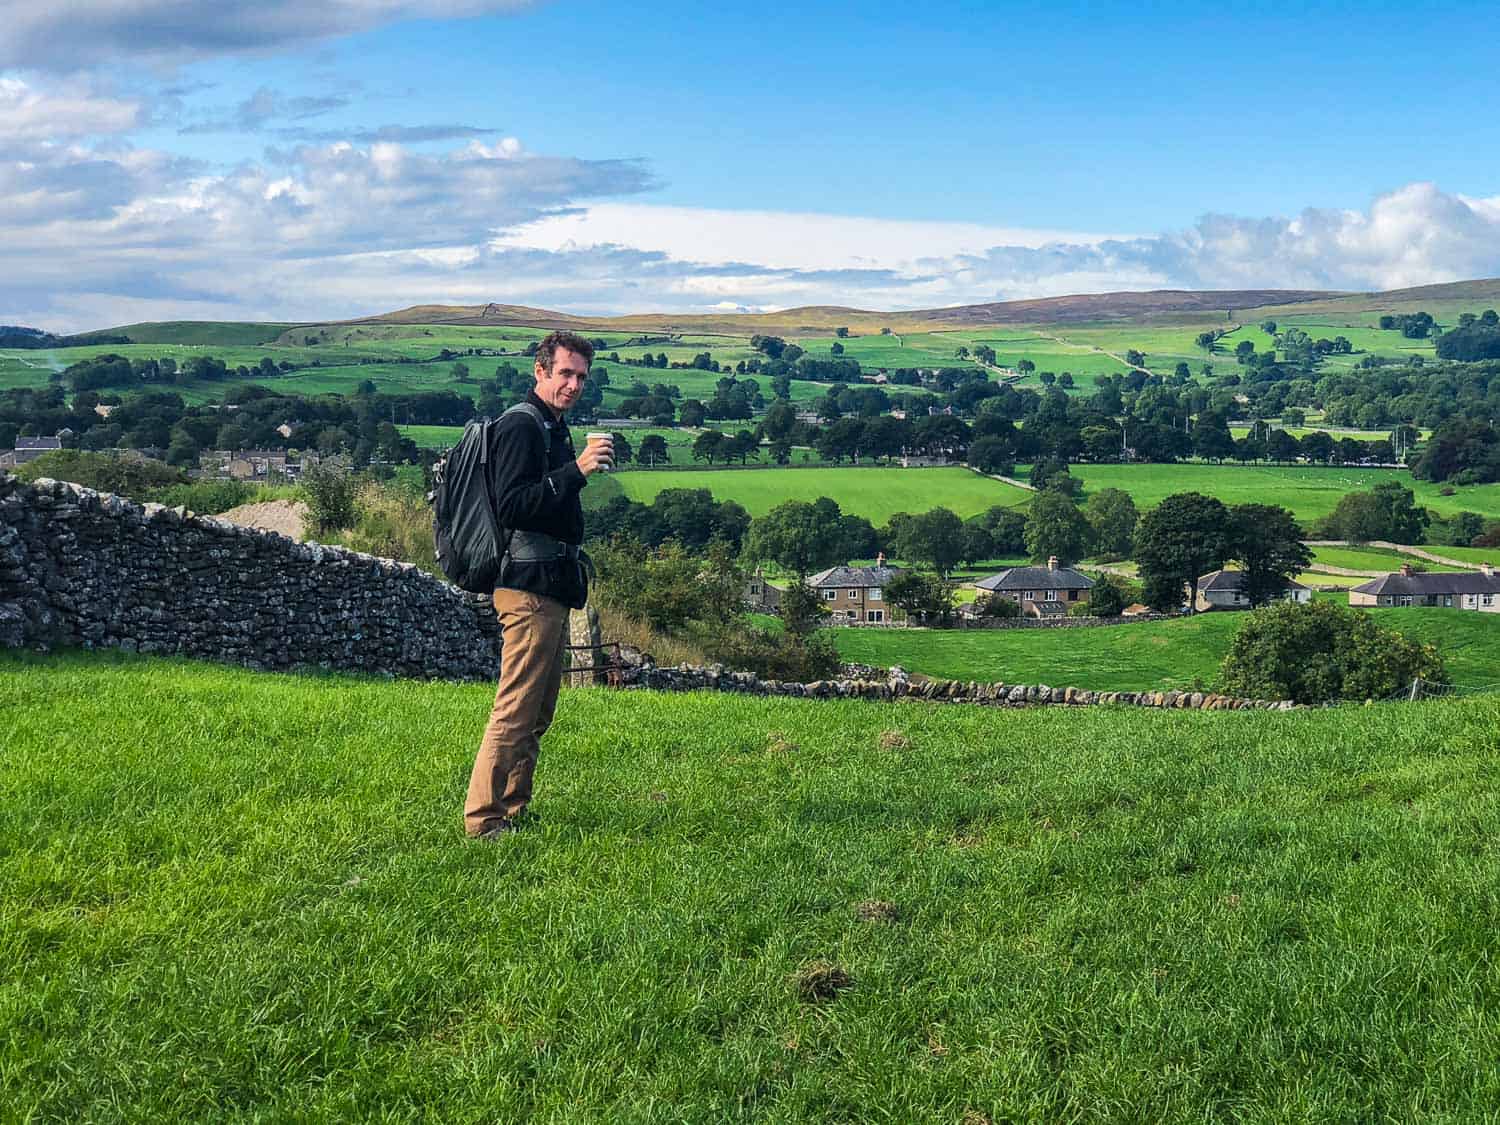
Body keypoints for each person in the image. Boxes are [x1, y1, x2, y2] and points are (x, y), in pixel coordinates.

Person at [464, 330, 612, 839]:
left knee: (537, 710)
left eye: (581, 377)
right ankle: (484, 821)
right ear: (540, 371)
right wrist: (577, 471)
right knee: (516, 707)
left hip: (550, 585)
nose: (573, 385)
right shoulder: (522, 426)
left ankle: (514, 809)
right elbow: (512, 505)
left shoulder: (552, 426)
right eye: (565, 373)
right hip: (526, 588)